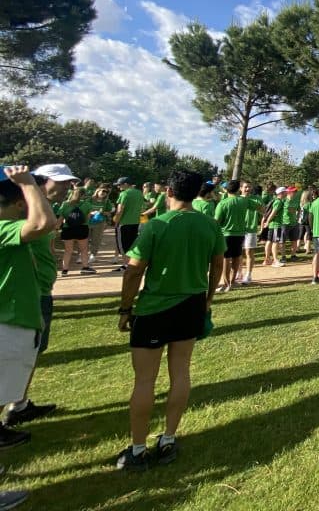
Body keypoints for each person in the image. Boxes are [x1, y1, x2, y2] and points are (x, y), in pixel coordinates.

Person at [115, 169, 225, 470]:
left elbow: (134, 270)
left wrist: (125, 308)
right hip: (191, 304)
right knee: (181, 373)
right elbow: (217, 265)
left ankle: (138, 449)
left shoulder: (155, 226)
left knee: (145, 380)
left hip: (154, 308)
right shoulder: (209, 225)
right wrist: (208, 298)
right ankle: (168, 438)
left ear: (168, 192)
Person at [3, 163, 76, 430]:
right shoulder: (25, 210)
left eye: (69, 182)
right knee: (19, 354)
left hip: (40, 290)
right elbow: (40, 227)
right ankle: (14, 407)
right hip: (27, 295)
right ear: (41, 181)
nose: (67, 187)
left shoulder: (44, 207)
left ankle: (19, 404)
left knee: (32, 352)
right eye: (61, 181)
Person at [0, 166, 59, 450]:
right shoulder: (3, 228)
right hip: (7, 320)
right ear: (19, 202)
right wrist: (28, 184)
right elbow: (43, 223)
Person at [213, 180, 249, 292]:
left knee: (226, 259)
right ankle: (233, 282)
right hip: (240, 234)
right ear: (238, 189)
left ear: (226, 190)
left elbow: (217, 221)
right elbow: (260, 207)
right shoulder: (243, 201)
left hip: (226, 234)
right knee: (236, 258)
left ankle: (226, 284)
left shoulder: (223, 203)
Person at [58, 182, 92, 276]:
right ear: (83, 195)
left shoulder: (65, 204)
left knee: (68, 250)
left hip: (68, 229)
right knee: (84, 249)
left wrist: (56, 228)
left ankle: (65, 270)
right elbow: (88, 219)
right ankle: (85, 267)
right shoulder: (87, 204)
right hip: (82, 228)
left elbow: (60, 219)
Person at [113, 177, 145, 272]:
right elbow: (142, 208)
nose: (118, 187)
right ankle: (131, 264)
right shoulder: (139, 193)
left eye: (120, 185)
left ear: (126, 184)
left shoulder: (124, 193)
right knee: (132, 244)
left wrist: (116, 221)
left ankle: (126, 265)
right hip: (135, 222)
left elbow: (120, 210)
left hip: (124, 223)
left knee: (122, 245)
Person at [86, 185, 113, 268]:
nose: (104, 193)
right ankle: (82, 255)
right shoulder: (89, 200)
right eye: (103, 191)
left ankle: (93, 255)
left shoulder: (106, 202)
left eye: (106, 192)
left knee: (96, 239)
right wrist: (91, 213)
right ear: (98, 191)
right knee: (85, 239)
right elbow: (84, 210)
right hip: (88, 222)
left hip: (99, 223)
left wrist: (102, 213)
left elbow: (109, 212)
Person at [262, 187, 287, 268]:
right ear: (281, 193)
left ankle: (267, 259)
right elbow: (273, 213)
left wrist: (267, 222)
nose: (286, 193)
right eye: (285, 192)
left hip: (272, 225)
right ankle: (275, 260)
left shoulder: (275, 200)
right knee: (275, 242)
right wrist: (268, 221)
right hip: (276, 225)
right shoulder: (278, 202)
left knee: (269, 241)